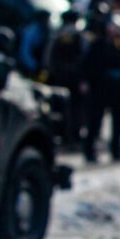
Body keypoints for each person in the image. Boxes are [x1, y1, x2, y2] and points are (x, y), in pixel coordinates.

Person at [79, 3, 120, 163]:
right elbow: (86, 64)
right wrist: (85, 81)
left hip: (117, 88)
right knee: (95, 121)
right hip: (99, 87)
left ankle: (116, 150)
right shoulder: (98, 44)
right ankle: (90, 150)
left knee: (118, 121)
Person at [46, 9, 86, 144]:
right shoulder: (79, 37)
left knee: (60, 107)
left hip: (59, 77)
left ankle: (62, 134)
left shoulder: (57, 36)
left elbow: (49, 57)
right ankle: (74, 134)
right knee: (76, 107)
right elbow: (84, 58)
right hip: (75, 78)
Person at [18, 9, 51, 79]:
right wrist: (33, 66)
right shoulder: (32, 31)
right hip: (28, 67)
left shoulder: (45, 30)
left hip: (38, 67)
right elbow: (25, 51)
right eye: (46, 19)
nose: (47, 21)